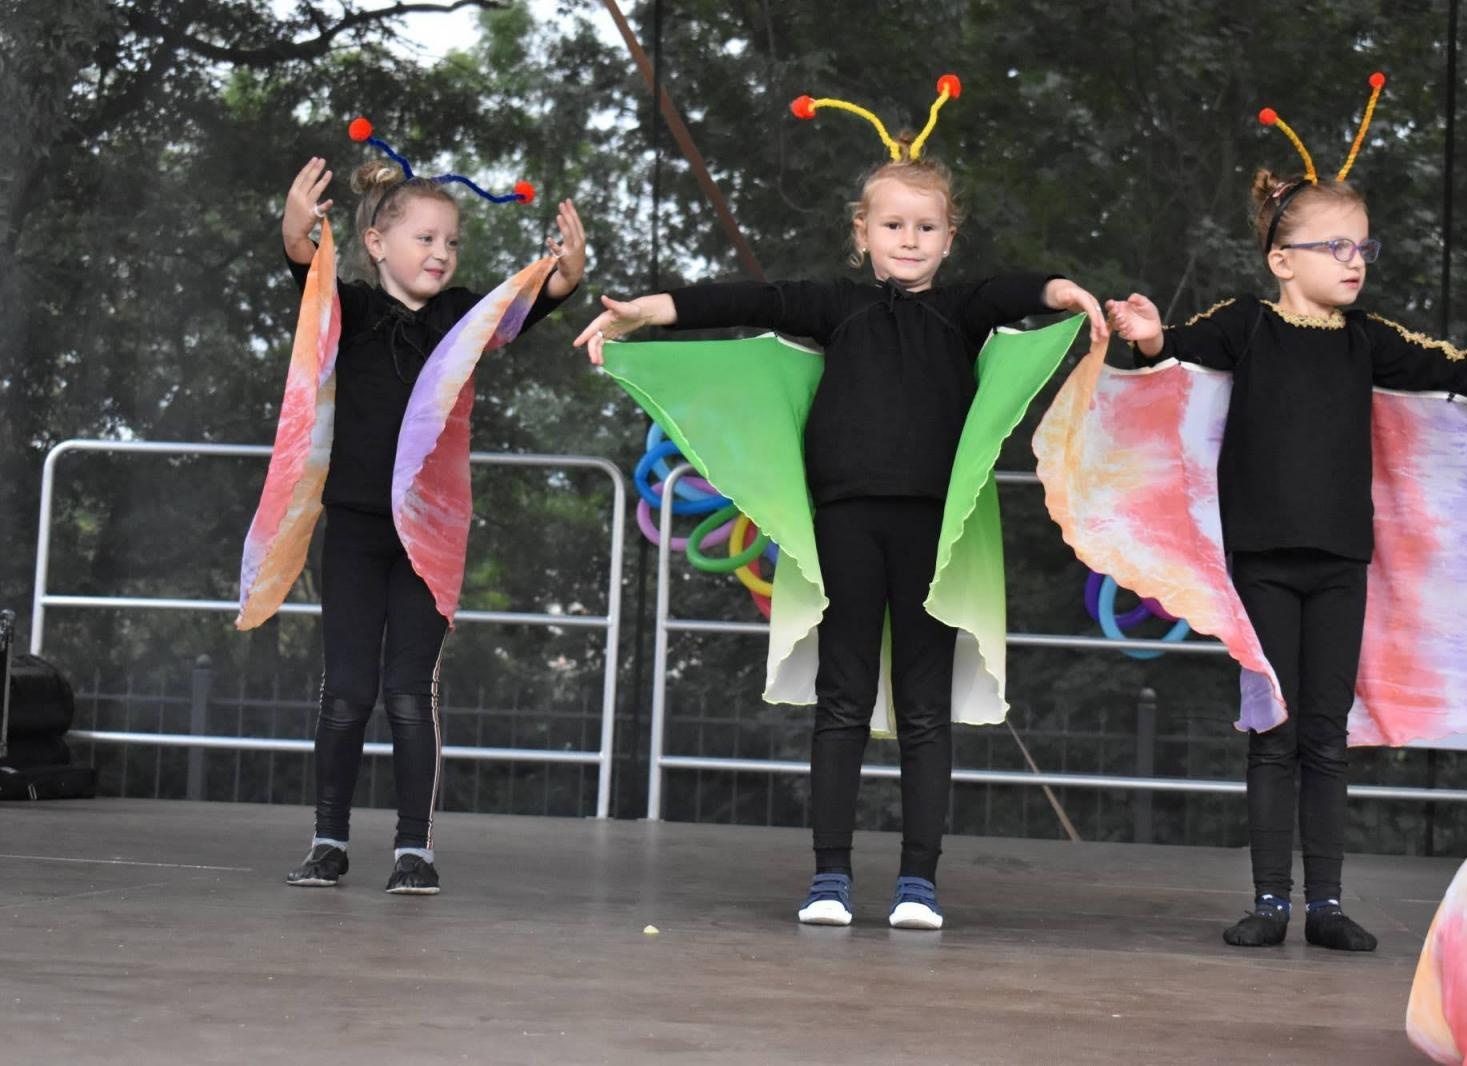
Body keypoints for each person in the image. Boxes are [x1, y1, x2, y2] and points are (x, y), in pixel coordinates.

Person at [576, 76, 1107, 929]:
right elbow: (748, 300)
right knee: (844, 697)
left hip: (934, 530)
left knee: (925, 706)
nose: (909, 238)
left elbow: (1020, 289)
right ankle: (829, 878)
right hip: (844, 524)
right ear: (862, 234)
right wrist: (651, 311)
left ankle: (918, 883)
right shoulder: (836, 306)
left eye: (926, 226)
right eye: (892, 224)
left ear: (948, 236)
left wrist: (1067, 291)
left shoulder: (963, 313)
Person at [1106, 74, 1467, 950]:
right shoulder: (1245, 325)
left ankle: (1325, 906)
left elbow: (1465, 367)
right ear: (1281, 259)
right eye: (1335, 245)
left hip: (1340, 562)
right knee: (1275, 732)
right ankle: (1267, 905)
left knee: (1327, 735)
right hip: (1259, 560)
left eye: (1363, 246)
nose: (1354, 260)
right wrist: (1143, 335)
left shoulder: (1370, 341)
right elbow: (1165, 357)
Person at [270, 125, 586, 895]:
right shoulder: (343, 309)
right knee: (347, 691)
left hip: (427, 538)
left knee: (411, 693)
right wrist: (293, 224)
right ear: (376, 242)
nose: (441, 252)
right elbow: (303, 264)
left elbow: (531, 301)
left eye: (451, 240)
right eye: (424, 237)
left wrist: (568, 274)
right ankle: (328, 840)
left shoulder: (460, 318)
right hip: (351, 528)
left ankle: (415, 849)